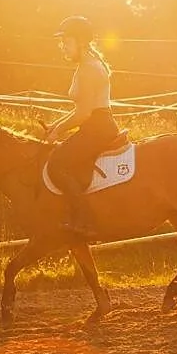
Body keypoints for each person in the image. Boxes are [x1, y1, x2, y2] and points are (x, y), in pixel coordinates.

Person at [46, 16, 120, 236]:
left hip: (97, 127)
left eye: (66, 42)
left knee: (56, 164)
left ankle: (84, 220)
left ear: (80, 42)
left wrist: (59, 130)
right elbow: (80, 109)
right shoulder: (86, 65)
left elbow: (84, 113)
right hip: (95, 125)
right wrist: (55, 126)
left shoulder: (88, 69)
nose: (62, 47)